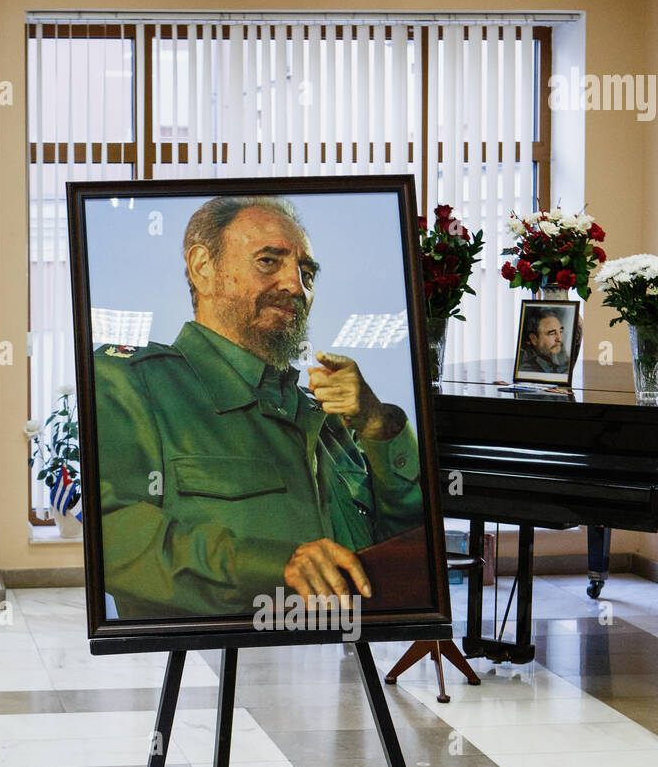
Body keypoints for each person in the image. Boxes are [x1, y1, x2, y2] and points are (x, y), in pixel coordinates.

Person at [94, 194, 423, 620]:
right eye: (269, 261)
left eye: (307, 273)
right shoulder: (131, 381)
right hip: (228, 641)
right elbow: (117, 542)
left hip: (333, 648)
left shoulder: (322, 413)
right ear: (202, 268)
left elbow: (402, 549)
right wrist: (278, 567)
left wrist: (380, 426)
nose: (296, 287)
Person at [517, 308, 569, 377]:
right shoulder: (526, 372)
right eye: (552, 333)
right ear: (534, 339)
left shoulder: (567, 367)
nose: (559, 339)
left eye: (560, 332)